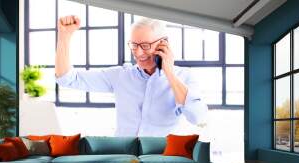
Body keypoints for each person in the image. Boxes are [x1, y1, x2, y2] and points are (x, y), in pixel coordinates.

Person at [55, 15, 208, 137]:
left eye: (145, 46)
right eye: (134, 45)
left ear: (163, 44)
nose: (138, 53)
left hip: (161, 161)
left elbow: (197, 117)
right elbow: (67, 79)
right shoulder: (120, 75)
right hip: (123, 159)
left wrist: (169, 73)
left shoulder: (184, 77)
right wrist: (64, 36)